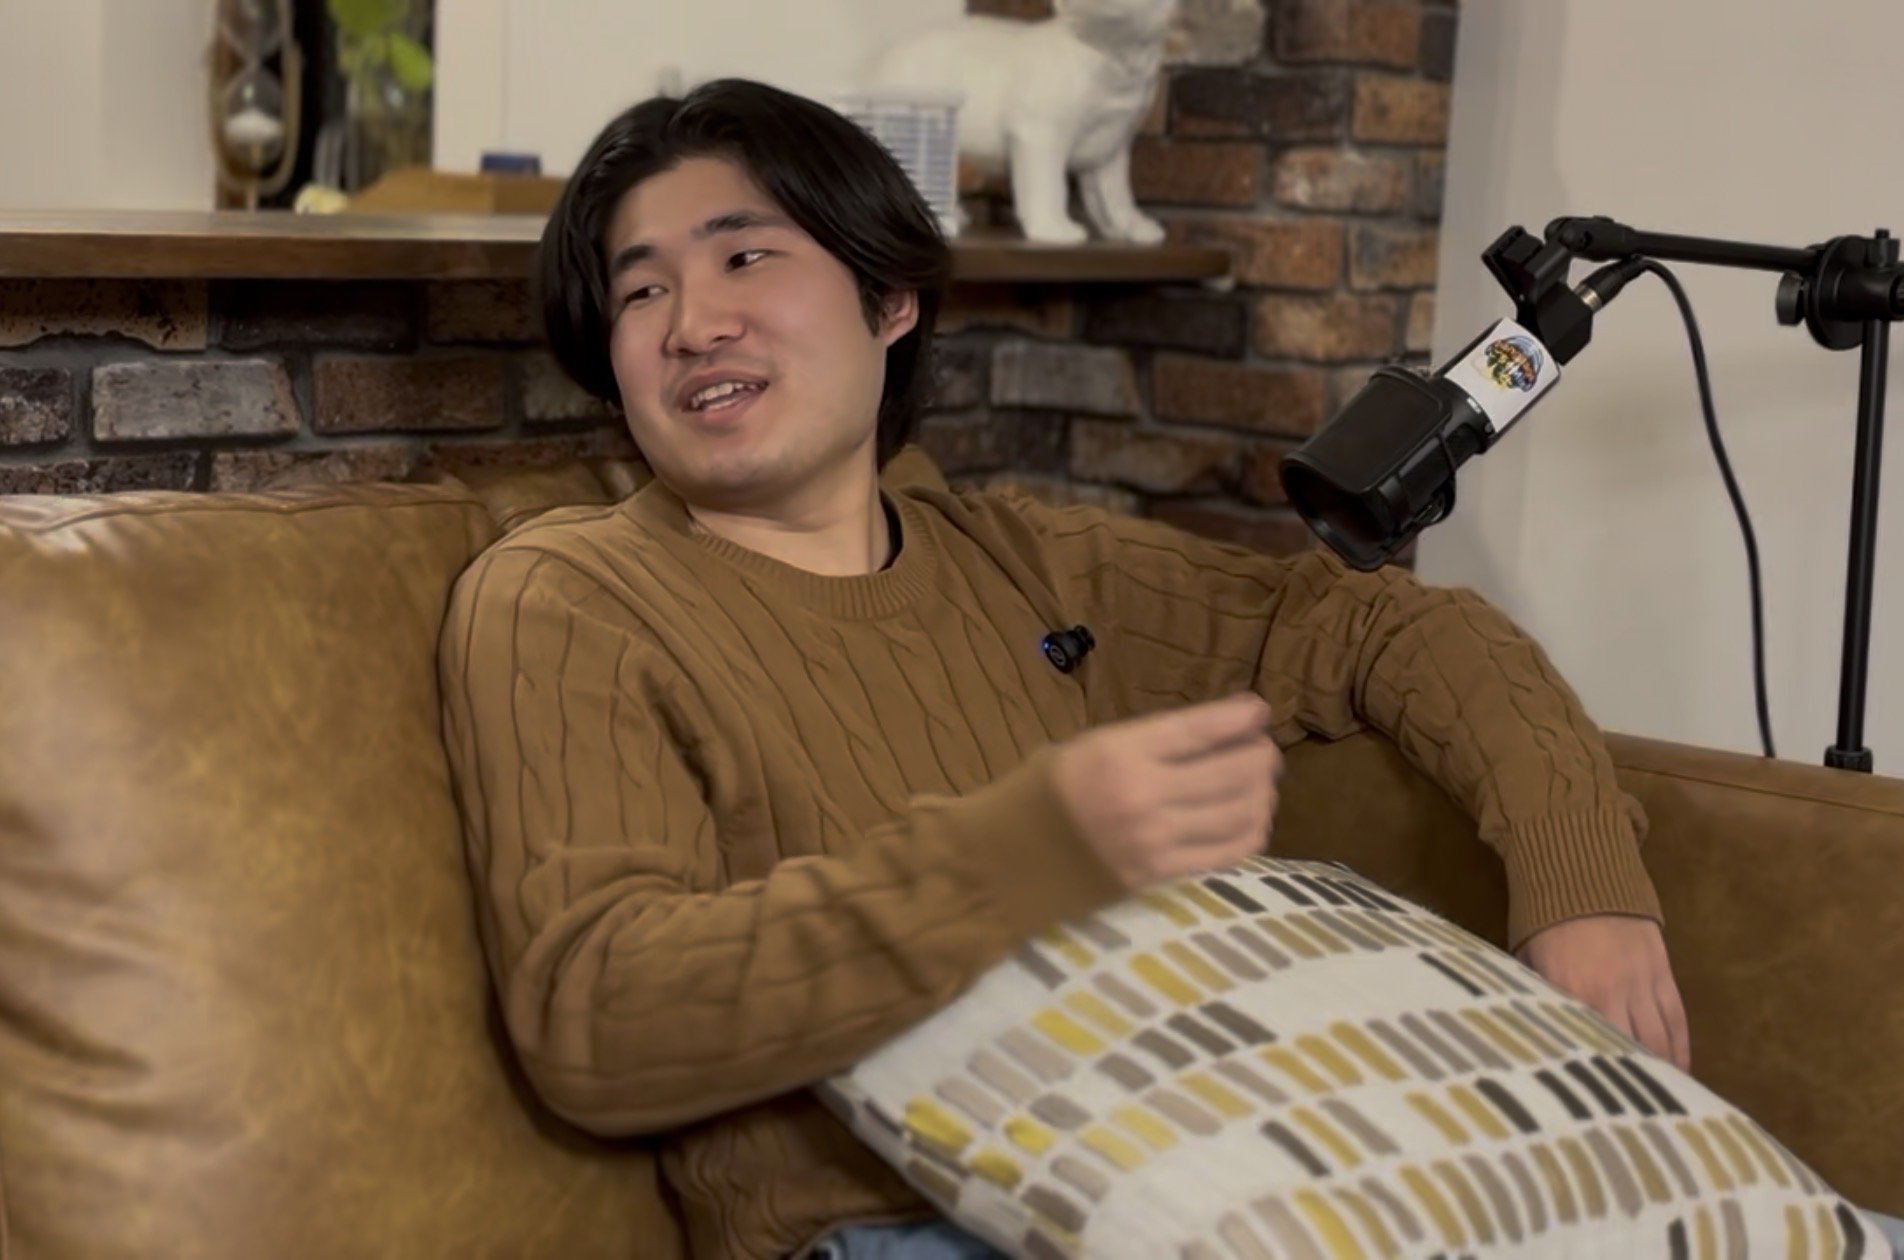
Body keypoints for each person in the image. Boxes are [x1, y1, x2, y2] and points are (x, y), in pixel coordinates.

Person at [437, 78, 1686, 1260]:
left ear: (889, 298)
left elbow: (1389, 629)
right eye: (640, 292)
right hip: (892, 1230)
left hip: (1202, 1182)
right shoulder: (569, 595)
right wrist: (1029, 849)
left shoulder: (1029, 567)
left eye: (744, 257)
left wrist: (1580, 885)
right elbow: (598, 1018)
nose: (691, 323)